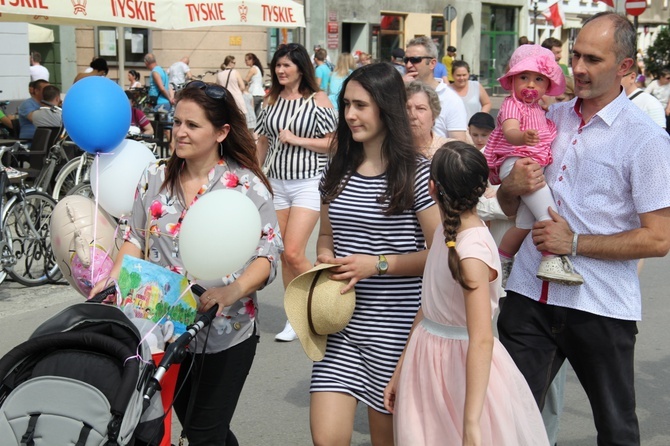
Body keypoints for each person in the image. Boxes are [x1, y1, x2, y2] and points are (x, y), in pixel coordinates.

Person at [496, 12, 670, 445]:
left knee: (616, 432)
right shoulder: (549, 118)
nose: (578, 68)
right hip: (528, 295)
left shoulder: (646, 139)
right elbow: (507, 203)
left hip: (600, 305)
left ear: (625, 67)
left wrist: (573, 243)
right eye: (575, 55)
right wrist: (511, 186)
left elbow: (659, 238)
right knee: (503, 423)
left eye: (592, 58)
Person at [90, 80, 282, 445]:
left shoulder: (246, 187)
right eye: (177, 122)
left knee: (203, 433)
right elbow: (134, 236)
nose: (180, 132)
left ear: (222, 131)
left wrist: (233, 290)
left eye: (192, 125)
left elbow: (267, 254)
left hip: (226, 332)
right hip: (162, 332)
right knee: (201, 429)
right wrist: (112, 279)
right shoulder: (154, 177)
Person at [384, 142, 549, 446]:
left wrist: (471, 420)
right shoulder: (444, 236)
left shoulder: (471, 253)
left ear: (432, 188)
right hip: (426, 360)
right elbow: (428, 308)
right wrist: (400, 369)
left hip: (463, 370)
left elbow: (482, 338)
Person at [311, 62, 440, 446]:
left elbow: (442, 254)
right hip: (341, 326)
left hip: (398, 332)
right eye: (346, 104)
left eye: (361, 105)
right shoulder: (335, 170)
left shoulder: (418, 173)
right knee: (327, 439)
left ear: (387, 107)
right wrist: (324, 257)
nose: (350, 114)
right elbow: (326, 235)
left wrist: (378, 265)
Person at [254, 43, 337, 342]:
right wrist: (254, 173)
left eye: (286, 65)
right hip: (276, 183)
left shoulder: (319, 100)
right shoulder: (270, 101)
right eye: (278, 65)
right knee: (284, 256)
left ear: (301, 68)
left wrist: (297, 139)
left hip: (307, 183)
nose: (280, 70)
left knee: (293, 251)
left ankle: (323, 298)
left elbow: (334, 143)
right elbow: (263, 141)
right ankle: (296, 315)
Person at [485, 44, 583, 286]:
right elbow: (509, 132)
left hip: (530, 163)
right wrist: (522, 137)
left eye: (538, 79)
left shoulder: (539, 109)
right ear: (512, 80)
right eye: (524, 77)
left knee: (525, 224)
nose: (530, 84)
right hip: (518, 162)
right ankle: (551, 259)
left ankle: (502, 259)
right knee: (549, 213)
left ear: (547, 86)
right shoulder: (512, 104)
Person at [403, 36, 468, 141]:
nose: (409, 65)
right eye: (406, 60)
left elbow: (458, 143)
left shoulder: (450, 99)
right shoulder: (401, 91)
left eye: (415, 60)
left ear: (432, 63)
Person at [405, 81, 453, 158]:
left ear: (433, 116)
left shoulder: (450, 151)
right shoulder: (389, 151)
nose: (412, 115)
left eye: (420, 108)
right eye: (407, 108)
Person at [621, 63, 666, 128]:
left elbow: (659, 136)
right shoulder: (608, 101)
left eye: (617, 77)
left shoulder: (651, 104)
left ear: (632, 77)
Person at [243, 53, 265, 117]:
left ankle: (252, 126)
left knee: (251, 113)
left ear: (252, 60)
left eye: (246, 60)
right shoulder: (257, 68)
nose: (245, 62)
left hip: (254, 93)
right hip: (260, 94)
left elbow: (246, 80)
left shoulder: (253, 69)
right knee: (258, 114)